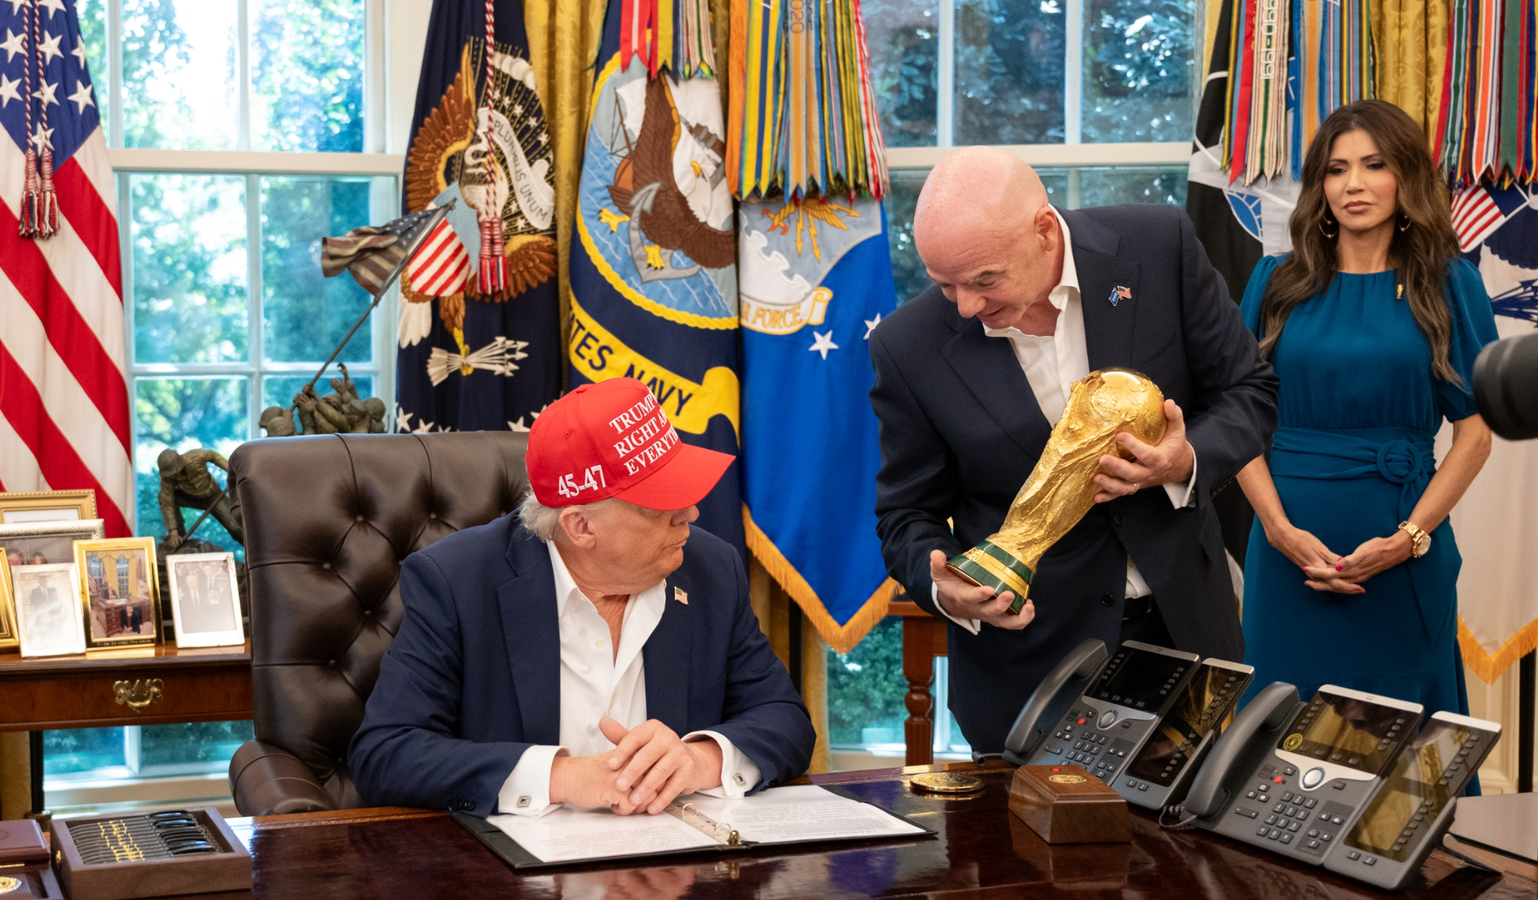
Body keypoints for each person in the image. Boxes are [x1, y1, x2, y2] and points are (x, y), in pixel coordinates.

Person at [869, 147, 1279, 753]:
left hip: (1185, 642)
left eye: (984, 280)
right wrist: (943, 585)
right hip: (1029, 672)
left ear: (1042, 230)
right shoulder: (908, 345)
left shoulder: (1157, 248)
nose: (965, 306)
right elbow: (906, 515)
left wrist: (1184, 459)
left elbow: (1251, 391)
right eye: (944, 284)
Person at [350, 378, 815, 817]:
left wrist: (698, 759)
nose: (690, 513)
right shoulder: (457, 581)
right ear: (581, 526)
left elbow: (785, 719)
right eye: (661, 504)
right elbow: (385, 753)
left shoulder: (711, 569)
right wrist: (563, 776)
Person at [1236, 100, 1496, 723]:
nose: (1352, 184)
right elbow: (1236, 418)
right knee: (1276, 757)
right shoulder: (1274, 282)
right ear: (1318, 188)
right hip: (1286, 555)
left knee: (1400, 762)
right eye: (1335, 169)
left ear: (1405, 176)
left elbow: (1476, 434)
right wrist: (1278, 530)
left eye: (1373, 165)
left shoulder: (1450, 282)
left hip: (1402, 551)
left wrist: (1407, 541)